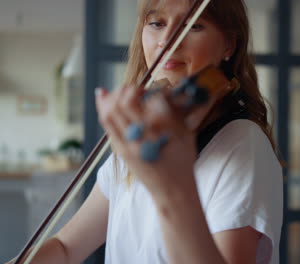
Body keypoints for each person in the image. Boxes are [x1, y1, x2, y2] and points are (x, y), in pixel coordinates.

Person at [9, 0, 283, 263]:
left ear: (229, 45)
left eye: (194, 25)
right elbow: (66, 247)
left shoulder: (242, 145)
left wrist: (171, 185)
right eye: (156, 23)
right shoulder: (143, 136)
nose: (168, 39)